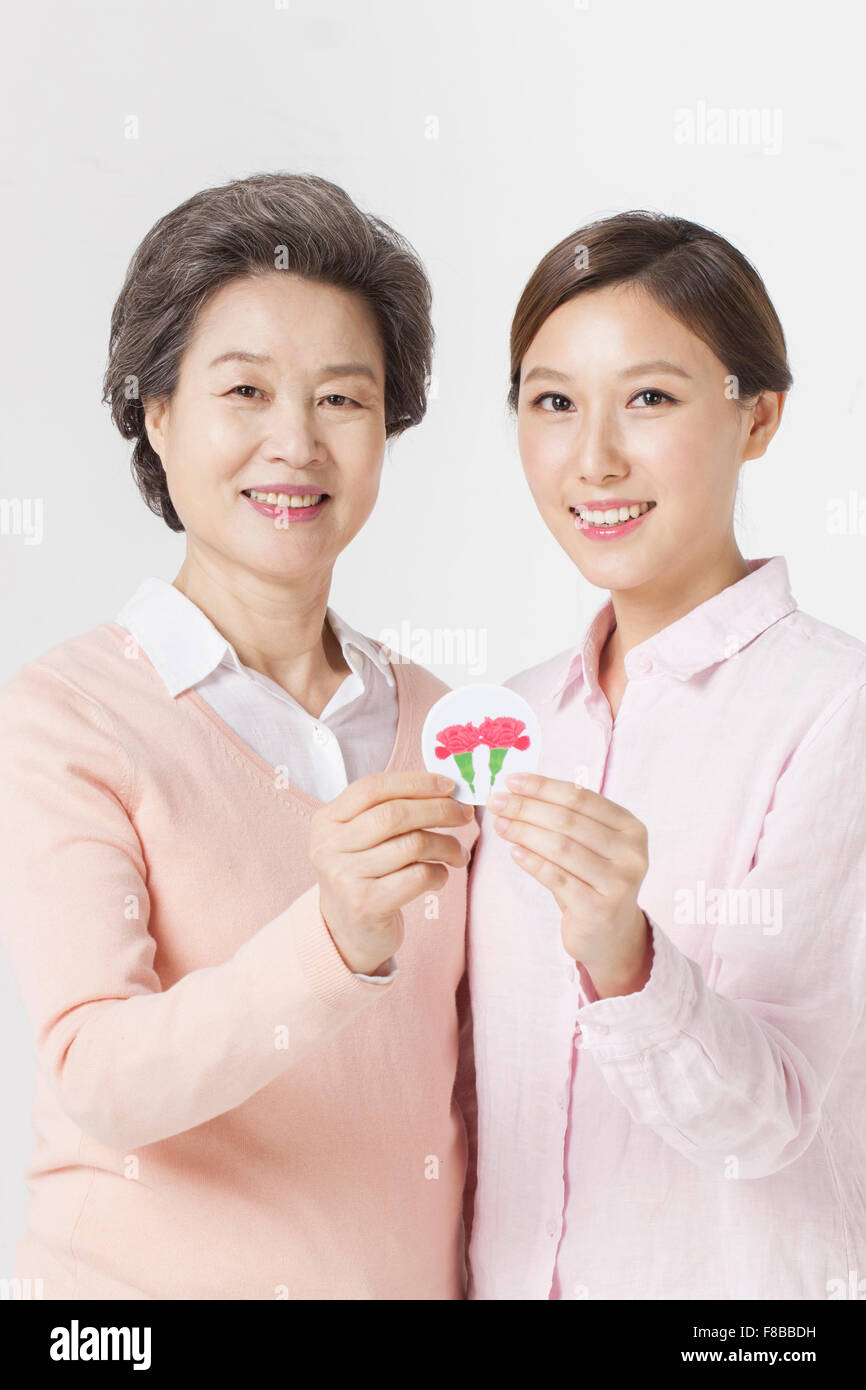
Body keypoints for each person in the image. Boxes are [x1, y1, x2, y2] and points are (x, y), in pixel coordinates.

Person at [0, 171, 478, 1300]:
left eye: (341, 399)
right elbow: (98, 1074)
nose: (295, 442)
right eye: (246, 391)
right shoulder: (64, 716)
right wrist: (338, 935)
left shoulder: (443, 724)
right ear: (157, 415)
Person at [465, 210, 866, 1299]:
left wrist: (621, 955)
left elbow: (772, 1120)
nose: (592, 458)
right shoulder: (501, 723)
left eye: (648, 397)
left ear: (757, 415)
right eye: (552, 402)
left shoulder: (834, 711)